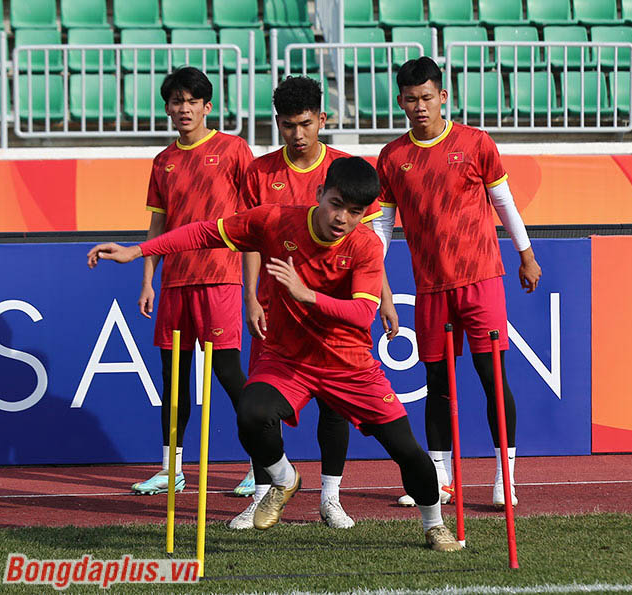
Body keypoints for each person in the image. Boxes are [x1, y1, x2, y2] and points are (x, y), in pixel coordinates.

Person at [87, 157, 461, 552]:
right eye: (336, 204)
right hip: (287, 360)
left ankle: (434, 525)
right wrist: (138, 251)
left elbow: (362, 313)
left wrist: (306, 294)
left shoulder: (366, 245)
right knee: (251, 412)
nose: (342, 219)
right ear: (320, 194)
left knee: (408, 452)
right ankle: (284, 478)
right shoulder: (275, 220)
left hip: (348, 365)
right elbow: (203, 233)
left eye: (354, 212)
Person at [373, 57, 542, 508]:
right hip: (430, 288)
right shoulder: (392, 157)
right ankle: (440, 480)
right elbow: (383, 227)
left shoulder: (475, 142)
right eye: (411, 99)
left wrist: (526, 255)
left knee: (492, 377)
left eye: (427, 97)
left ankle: (505, 478)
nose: (420, 106)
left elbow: (503, 202)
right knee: (436, 383)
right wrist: (373, 279)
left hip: (481, 279)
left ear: (442, 97)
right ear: (401, 102)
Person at [231, 75, 398, 530]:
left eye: (304, 123)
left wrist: (383, 297)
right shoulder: (258, 172)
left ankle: (330, 498)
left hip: (334, 311)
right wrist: (251, 296)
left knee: (335, 405)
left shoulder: (348, 167)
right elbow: (248, 240)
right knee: (262, 406)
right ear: (278, 124)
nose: (297, 134)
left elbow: (371, 241)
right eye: (287, 126)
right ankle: (265, 494)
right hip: (277, 309)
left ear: (322, 119)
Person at [131, 66, 253, 495]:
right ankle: (171, 469)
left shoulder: (234, 149)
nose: (183, 109)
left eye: (191, 101)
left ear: (207, 106)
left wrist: (254, 289)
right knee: (173, 377)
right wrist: (148, 278)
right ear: (167, 107)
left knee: (227, 372)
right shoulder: (163, 161)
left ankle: (263, 461)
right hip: (174, 283)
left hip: (220, 277)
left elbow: (253, 220)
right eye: (176, 101)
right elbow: (157, 226)